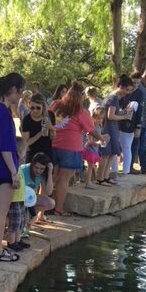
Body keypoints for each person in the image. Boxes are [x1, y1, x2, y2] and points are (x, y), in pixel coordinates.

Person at [49, 81, 108, 215]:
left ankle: (44, 207)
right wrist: (102, 138)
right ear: (80, 97)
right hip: (71, 149)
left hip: (53, 145)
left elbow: (48, 118)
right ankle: (58, 208)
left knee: (51, 178)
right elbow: (91, 130)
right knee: (64, 179)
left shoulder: (56, 105)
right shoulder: (81, 112)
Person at [0, 72, 25, 262]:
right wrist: (14, 172)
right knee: (2, 212)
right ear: (13, 90)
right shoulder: (3, 112)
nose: (20, 96)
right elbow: (6, 147)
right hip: (2, 168)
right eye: (20, 91)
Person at [97, 75, 134, 185]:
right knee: (105, 155)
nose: (127, 92)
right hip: (108, 129)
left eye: (129, 90)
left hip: (112, 129)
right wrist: (125, 117)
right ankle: (100, 178)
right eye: (126, 89)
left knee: (111, 154)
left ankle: (106, 177)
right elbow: (110, 116)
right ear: (121, 86)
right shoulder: (113, 98)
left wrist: (123, 112)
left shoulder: (116, 98)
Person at [119, 72, 144, 174]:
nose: (136, 85)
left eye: (138, 83)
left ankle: (127, 170)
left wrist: (138, 126)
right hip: (119, 120)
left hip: (130, 123)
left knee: (127, 147)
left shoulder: (139, 93)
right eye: (134, 82)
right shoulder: (125, 91)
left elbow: (140, 111)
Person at [20, 152, 55, 223]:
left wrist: (50, 172)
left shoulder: (44, 173)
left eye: (41, 169)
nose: (38, 171)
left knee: (51, 203)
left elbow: (49, 192)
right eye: (36, 167)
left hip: (30, 199)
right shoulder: (23, 169)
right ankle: (27, 215)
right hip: (19, 199)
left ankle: (30, 215)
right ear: (32, 164)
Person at [21, 93, 55, 164]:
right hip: (32, 154)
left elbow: (52, 138)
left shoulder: (50, 115)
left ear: (43, 107)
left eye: (38, 108)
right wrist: (41, 133)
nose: (35, 110)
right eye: (32, 108)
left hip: (47, 153)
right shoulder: (27, 120)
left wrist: (51, 128)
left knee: (48, 174)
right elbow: (26, 142)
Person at [6, 166, 29, 252]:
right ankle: (11, 242)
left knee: (21, 221)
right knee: (15, 222)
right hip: (14, 199)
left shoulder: (19, 168)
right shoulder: (12, 168)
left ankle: (18, 240)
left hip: (20, 199)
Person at [82, 107, 105, 189]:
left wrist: (103, 137)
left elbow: (98, 136)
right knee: (90, 166)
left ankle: (89, 181)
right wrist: (98, 142)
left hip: (95, 149)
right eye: (98, 118)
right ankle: (87, 182)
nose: (100, 120)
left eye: (102, 118)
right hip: (89, 149)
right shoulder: (91, 127)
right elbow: (89, 141)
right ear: (93, 117)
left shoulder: (99, 126)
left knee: (92, 166)